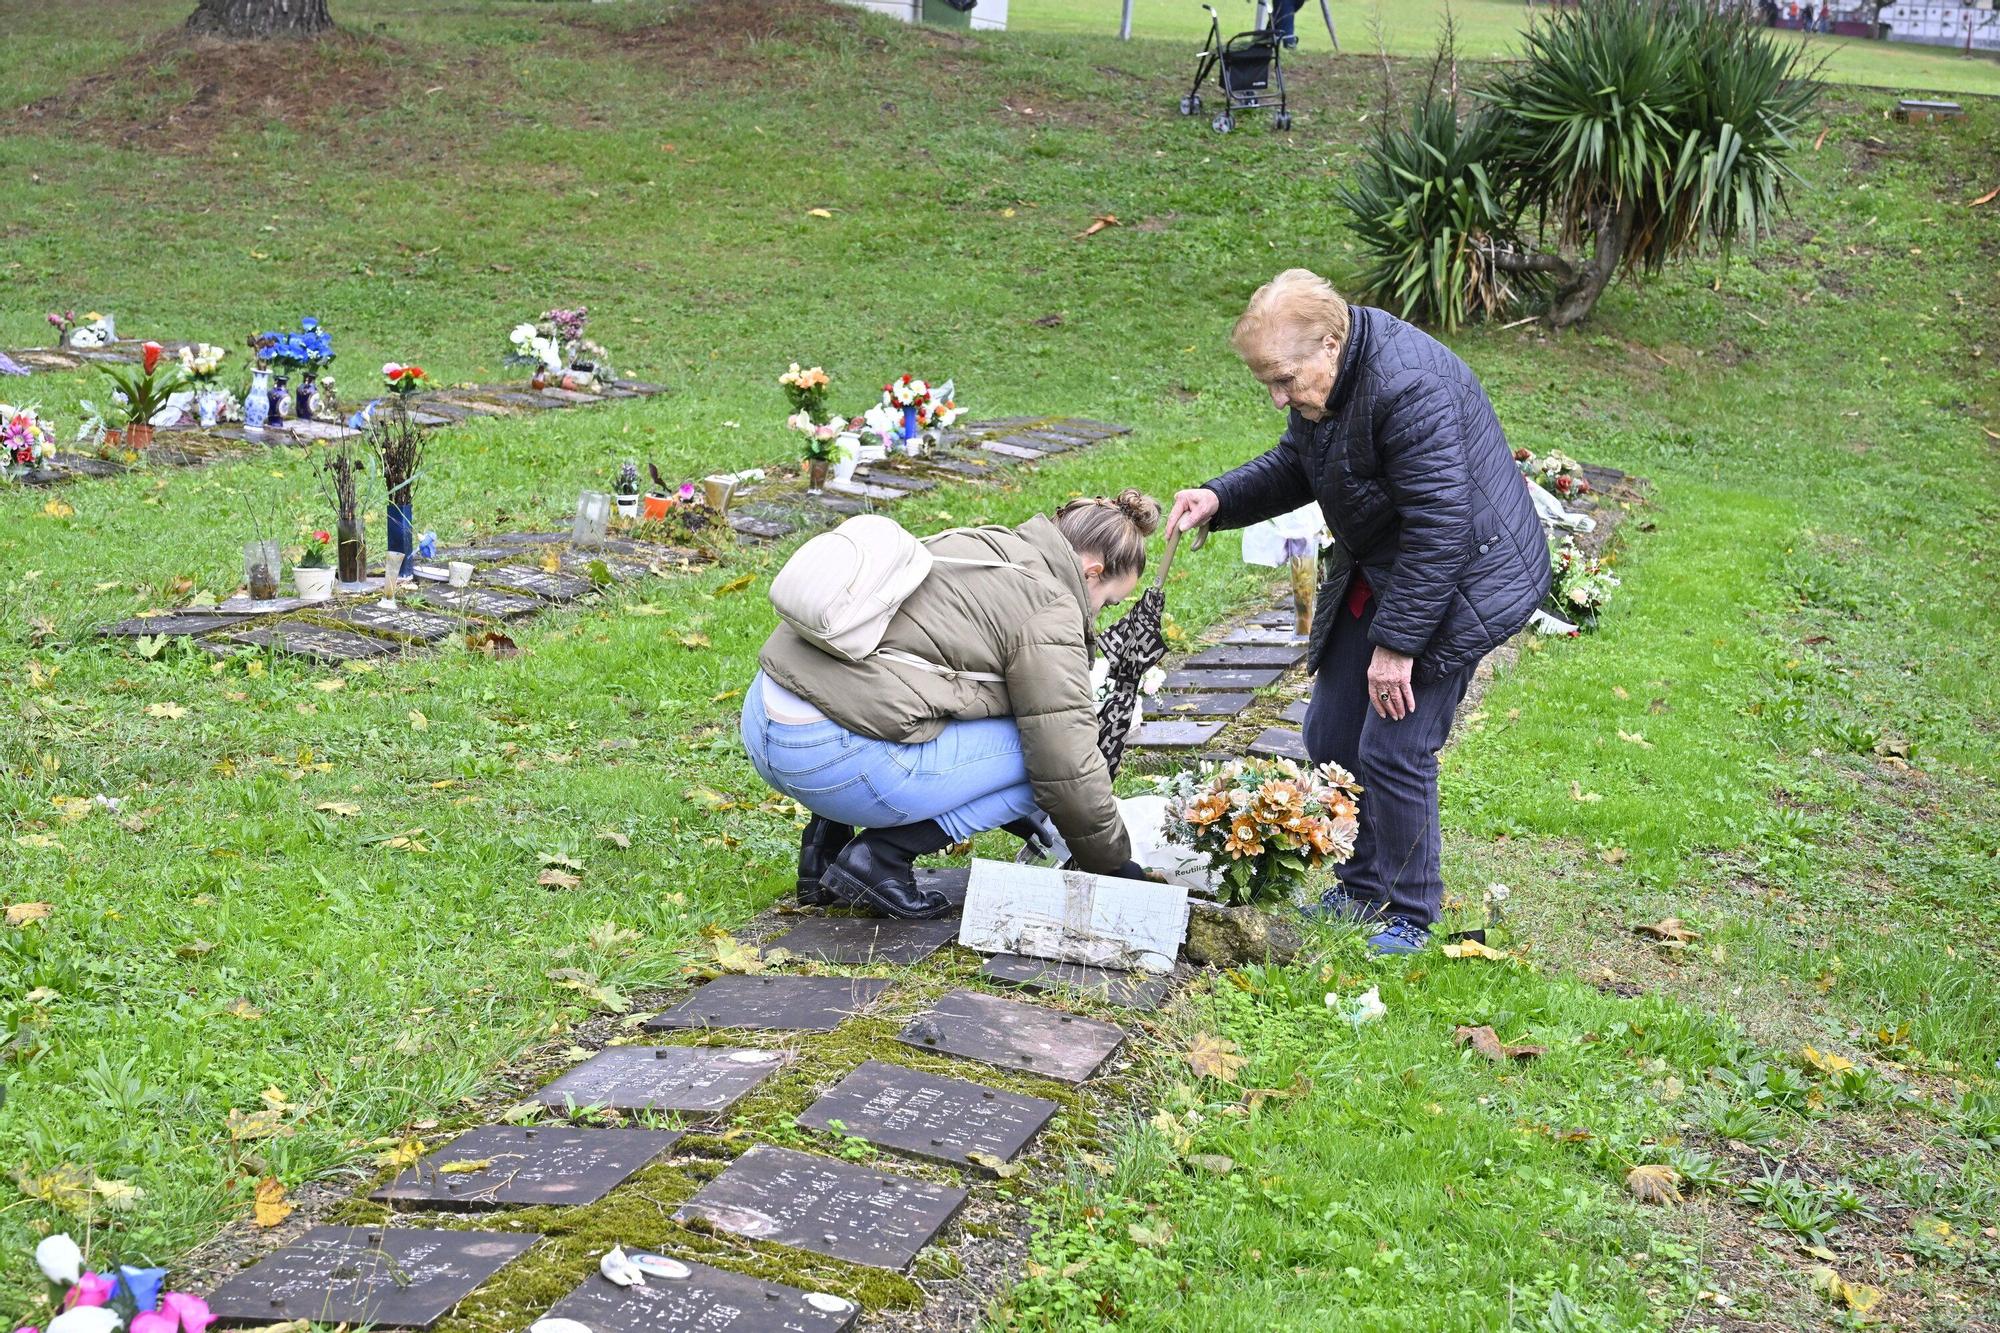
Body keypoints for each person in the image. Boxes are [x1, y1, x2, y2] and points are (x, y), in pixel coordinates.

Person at [1168, 270, 1549, 954]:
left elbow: (1441, 526)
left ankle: (1409, 911)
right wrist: (1219, 498)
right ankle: (1362, 885)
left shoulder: (1408, 387)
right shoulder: (1326, 384)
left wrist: (1398, 644)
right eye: (1268, 384)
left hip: (1460, 575)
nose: (1279, 396)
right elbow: (1297, 464)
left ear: (1333, 341)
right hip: (1386, 564)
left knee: (1395, 745)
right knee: (1333, 733)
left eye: (1283, 379)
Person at [743, 493, 1162, 919]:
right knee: (1044, 758)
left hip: (763, 721)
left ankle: (823, 850)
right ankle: (879, 858)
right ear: (1092, 574)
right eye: (1107, 602)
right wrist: (1115, 867)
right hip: (824, 759)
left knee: (904, 684)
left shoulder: (981, 543)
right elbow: (1065, 765)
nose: (1099, 614)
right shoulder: (1051, 608)